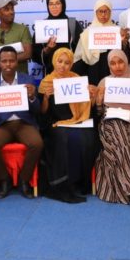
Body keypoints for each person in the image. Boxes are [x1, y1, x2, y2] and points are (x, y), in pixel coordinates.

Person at [94, 49, 130, 204]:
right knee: (120, 138)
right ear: (109, 66)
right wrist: (99, 101)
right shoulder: (104, 82)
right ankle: (128, 186)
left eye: (120, 62)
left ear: (126, 63)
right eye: (113, 63)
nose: (117, 66)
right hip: (110, 123)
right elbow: (99, 113)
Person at [38, 47, 97, 203]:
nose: (63, 66)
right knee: (63, 137)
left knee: (88, 138)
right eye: (60, 61)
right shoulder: (46, 82)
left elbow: (85, 107)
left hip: (76, 121)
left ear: (71, 64)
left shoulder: (77, 79)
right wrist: (45, 99)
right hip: (55, 123)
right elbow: (42, 113)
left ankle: (81, 183)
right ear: (54, 61)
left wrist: (90, 96)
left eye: (67, 63)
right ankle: (64, 183)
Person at [0, 46, 42, 199]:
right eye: (4, 61)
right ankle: (5, 180)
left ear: (17, 62)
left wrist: (32, 97)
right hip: (2, 124)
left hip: (24, 122)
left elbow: (37, 109)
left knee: (37, 143)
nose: (8, 64)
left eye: (11, 61)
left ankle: (24, 180)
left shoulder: (27, 80)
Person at [73, 0, 130, 85]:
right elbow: (78, 63)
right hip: (93, 77)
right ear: (95, 13)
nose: (103, 15)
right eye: (100, 11)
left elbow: (128, 59)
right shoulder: (87, 34)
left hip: (114, 78)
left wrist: (124, 43)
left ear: (110, 12)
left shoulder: (118, 32)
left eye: (106, 11)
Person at [32, 0, 82, 77]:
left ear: (63, 4)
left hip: (71, 72)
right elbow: (35, 54)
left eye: (57, 3)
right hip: (50, 74)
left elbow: (81, 50)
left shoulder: (72, 24)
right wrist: (47, 49)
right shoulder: (42, 26)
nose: (54, 7)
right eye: (51, 4)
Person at [0, 0, 33, 76]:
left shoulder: (23, 29)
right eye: (7, 9)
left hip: (20, 77)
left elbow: (27, 54)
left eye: (12, 9)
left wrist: (2, 62)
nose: (11, 12)